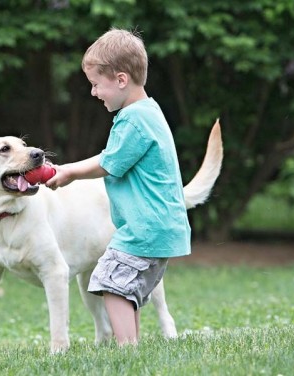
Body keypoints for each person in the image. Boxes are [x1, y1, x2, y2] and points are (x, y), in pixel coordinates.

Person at [45, 28, 191, 346]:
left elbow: (108, 163)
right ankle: (132, 345)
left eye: (97, 84)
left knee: (110, 283)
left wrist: (68, 171)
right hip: (157, 226)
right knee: (125, 289)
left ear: (121, 80)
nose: (95, 93)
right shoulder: (149, 112)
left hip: (145, 228)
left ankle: (127, 349)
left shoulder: (134, 120)